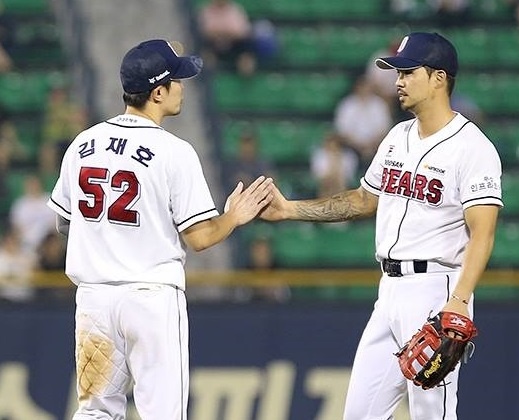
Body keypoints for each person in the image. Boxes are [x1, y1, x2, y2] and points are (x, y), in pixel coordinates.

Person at [259, 32, 503, 419]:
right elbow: (362, 200)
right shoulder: (395, 138)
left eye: (408, 72)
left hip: (436, 288)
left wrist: (458, 300)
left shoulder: (473, 148)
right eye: (397, 72)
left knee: (432, 415)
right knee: (358, 413)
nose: (398, 81)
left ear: (439, 77)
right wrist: (290, 210)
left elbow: (483, 232)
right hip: (388, 290)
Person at [46, 39, 273, 419]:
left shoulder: (83, 143)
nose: (183, 86)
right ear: (158, 92)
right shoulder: (173, 151)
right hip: (150, 300)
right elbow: (200, 237)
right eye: (177, 80)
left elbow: (64, 222)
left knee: (95, 411)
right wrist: (234, 215)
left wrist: (108, 240)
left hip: (94, 301)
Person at [333, 74, 393, 168]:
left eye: (367, 87)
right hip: (352, 147)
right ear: (357, 87)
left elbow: (384, 129)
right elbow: (342, 131)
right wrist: (359, 146)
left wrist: (372, 144)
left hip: (375, 146)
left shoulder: (379, 104)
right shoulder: (347, 105)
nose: (365, 89)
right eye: (362, 87)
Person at [198, 0, 257, 75]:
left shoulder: (235, 10)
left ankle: (246, 80)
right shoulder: (205, 10)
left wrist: (222, 33)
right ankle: (206, 79)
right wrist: (226, 33)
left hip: (234, 44)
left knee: (247, 50)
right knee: (205, 51)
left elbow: (243, 32)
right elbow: (205, 32)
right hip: (213, 44)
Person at [310, 131, 359, 198]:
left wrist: (337, 162)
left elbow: (348, 178)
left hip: (342, 184)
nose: (333, 148)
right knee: (327, 182)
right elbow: (319, 176)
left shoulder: (349, 156)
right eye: (330, 146)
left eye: (336, 146)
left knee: (340, 181)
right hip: (325, 183)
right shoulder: (320, 155)